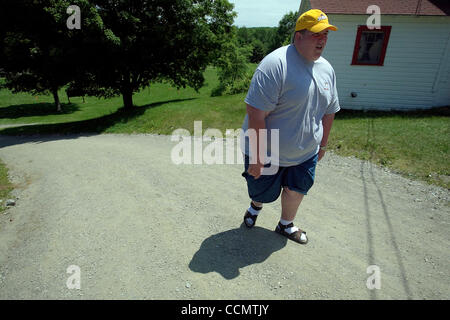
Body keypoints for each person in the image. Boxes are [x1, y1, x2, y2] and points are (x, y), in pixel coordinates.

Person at [241, 9, 340, 245]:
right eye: (316, 34)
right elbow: (256, 114)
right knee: (261, 191)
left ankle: (285, 224)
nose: (323, 40)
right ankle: (256, 206)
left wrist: (323, 145)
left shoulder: (327, 69)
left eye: (325, 34)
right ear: (298, 36)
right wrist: (256, 158)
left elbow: (330, 111)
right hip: (267, 152)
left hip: (305, 152)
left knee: (298, 188)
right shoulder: (275, 65)